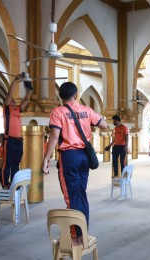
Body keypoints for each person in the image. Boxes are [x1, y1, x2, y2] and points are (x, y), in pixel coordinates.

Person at [42, 82, 108, 245]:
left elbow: (55, 137)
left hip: (69, 156)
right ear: (76, 95)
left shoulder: (58, 111)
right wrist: (102, 120)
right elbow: (105, 125)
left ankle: (77, 238)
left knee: (71, 198)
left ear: (60, 97)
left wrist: (46, 159)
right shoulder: (86, 110)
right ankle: (83, 231)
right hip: (84, 156)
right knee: (80, 194)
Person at [1, 74, 32, 189]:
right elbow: (10, 94)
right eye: (11, 100)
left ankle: (14, 183)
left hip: (18, 141)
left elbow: (27, 99)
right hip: (9, 141)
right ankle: (5, 184)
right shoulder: (7, 109)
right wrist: (15, 80)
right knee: (7, 164)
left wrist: (28, 88)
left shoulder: (18, 109)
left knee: (16, 164)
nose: (13, 101)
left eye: (14, 100)